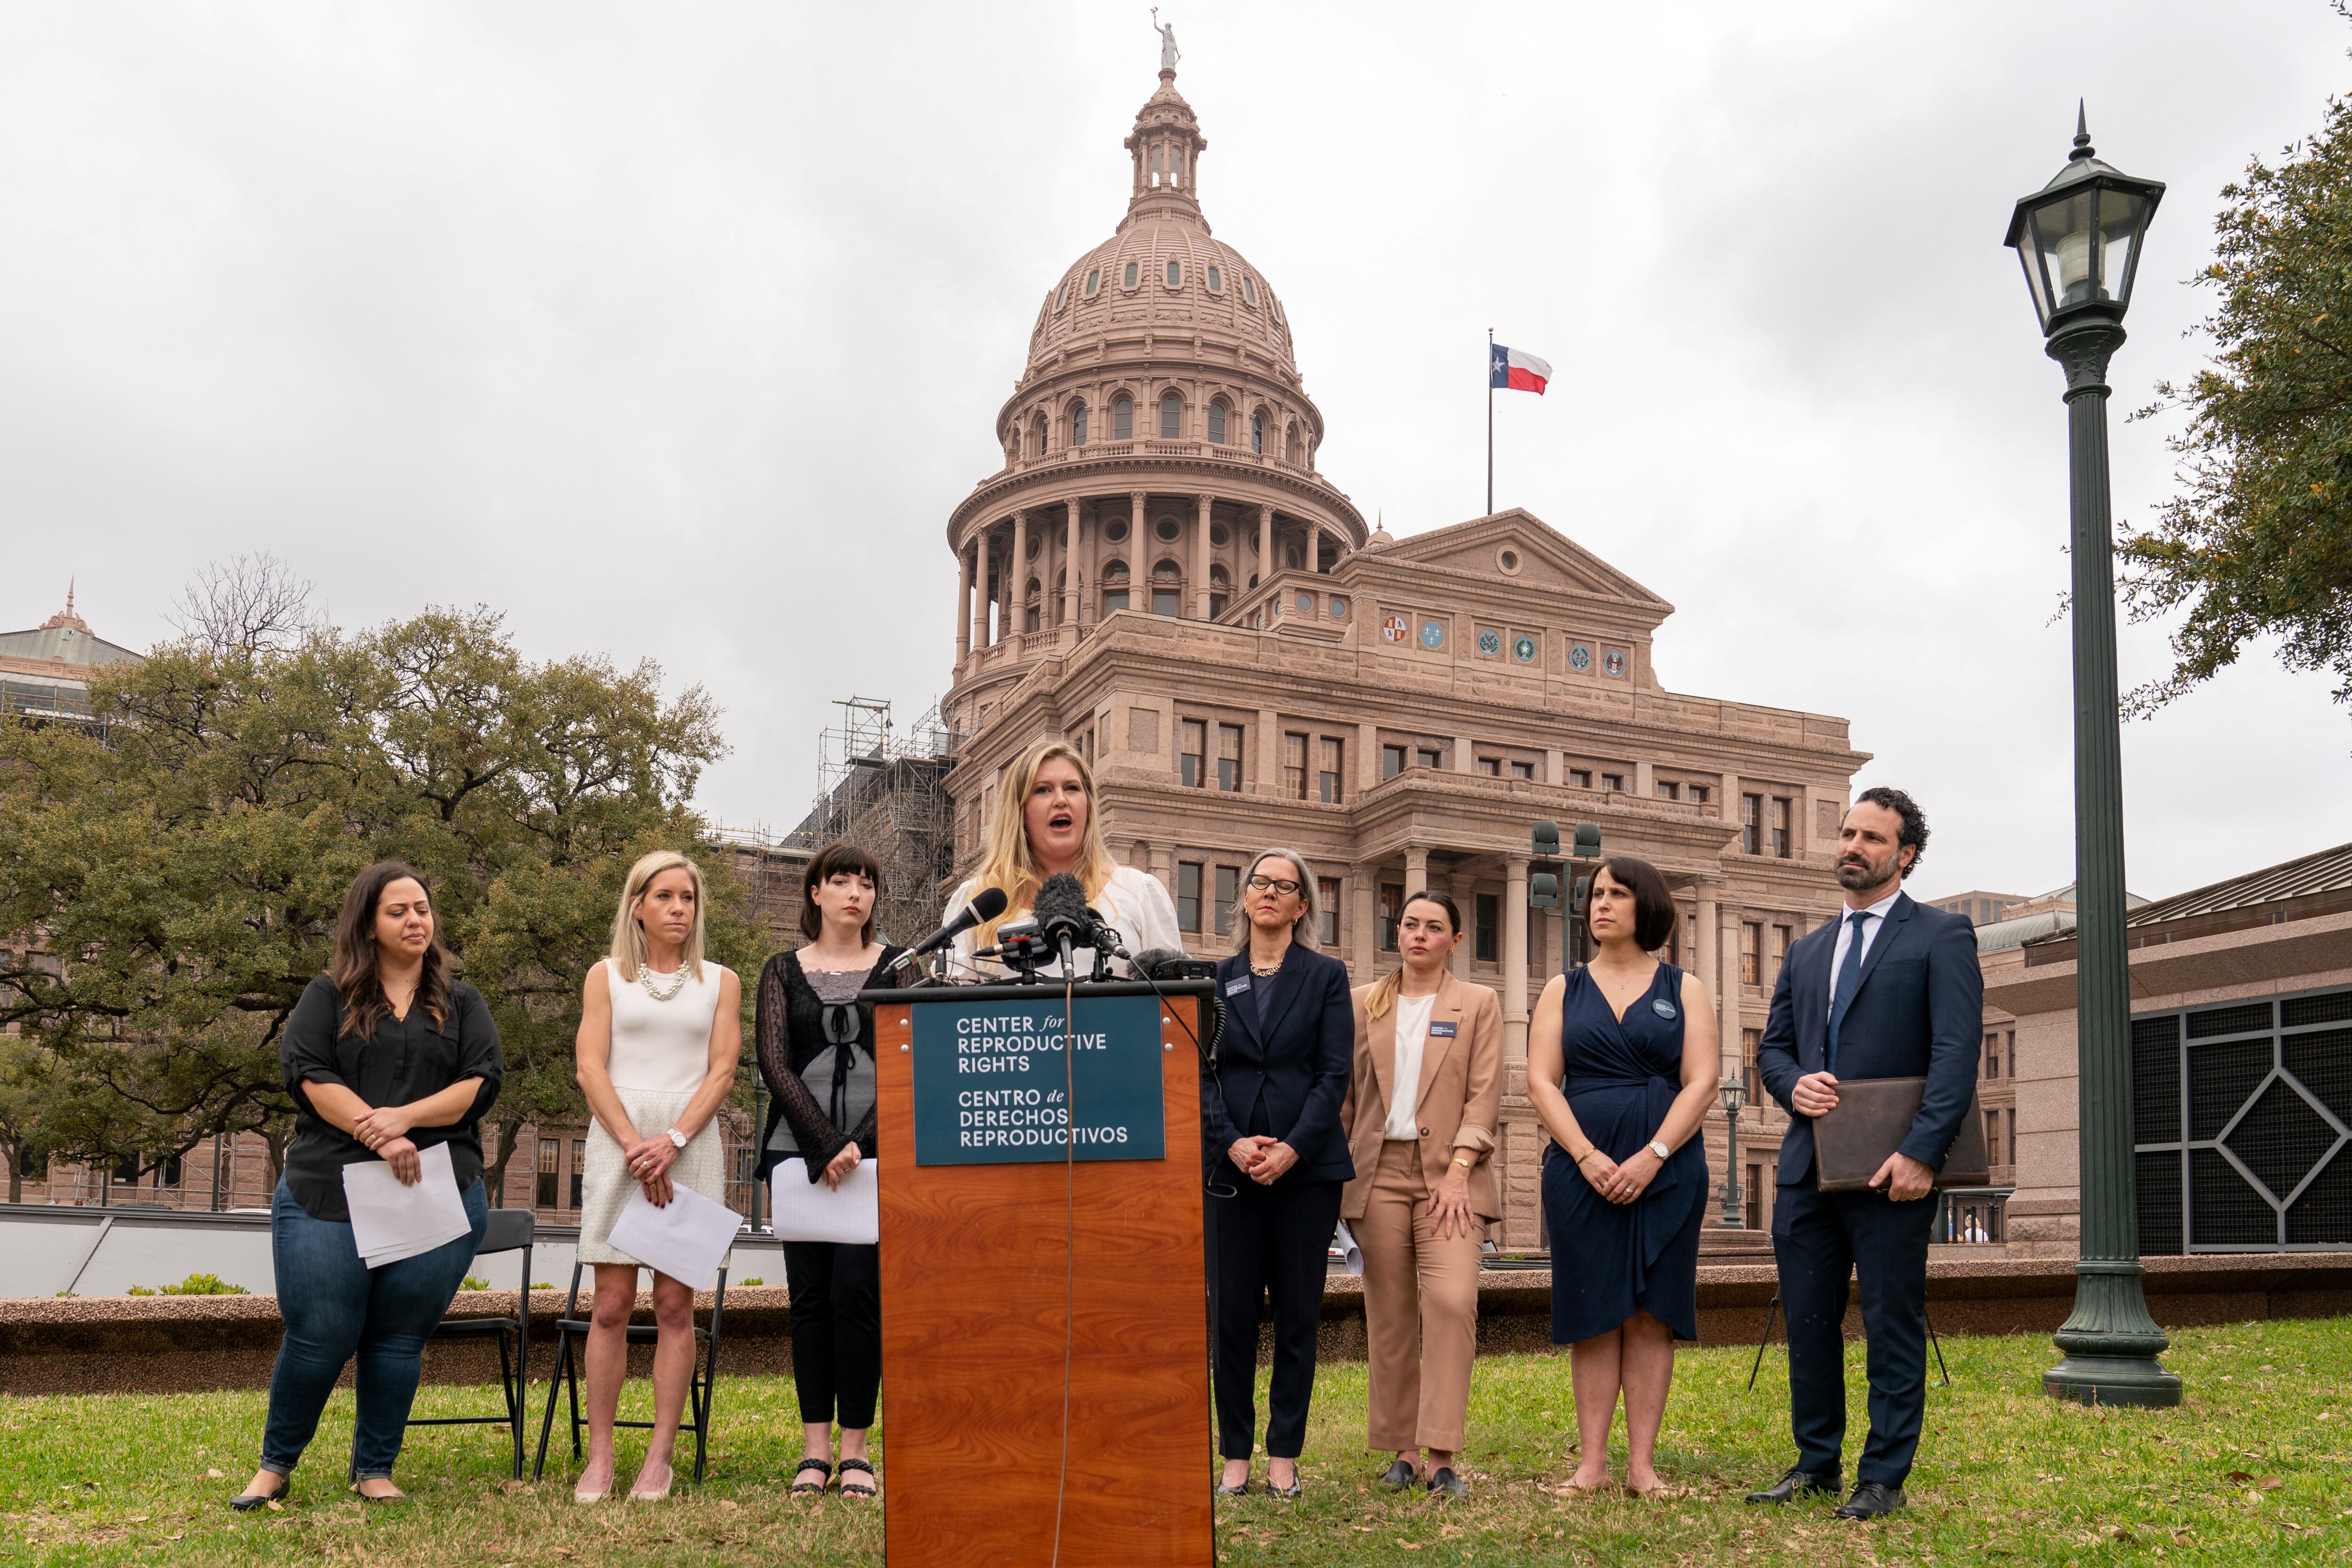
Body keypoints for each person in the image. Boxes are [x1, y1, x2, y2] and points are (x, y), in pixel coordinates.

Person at [230, 860, 501, 1511]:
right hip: (330, 1190)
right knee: (321, 1332)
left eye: (422, 908)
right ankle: (275, 1466)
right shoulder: (329, 994)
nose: (415, 919)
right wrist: (378, 1134)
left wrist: (406, 1118)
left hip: (434, 1192)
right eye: (398, 910)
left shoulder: (462, 1002)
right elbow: (307, 1070)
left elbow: (482, 1081)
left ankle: (373, 1468)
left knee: (398, 1336)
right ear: (368, 924)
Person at [1746, 788, 1979, 1520]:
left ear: (1904, 853)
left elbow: (1955, 1053)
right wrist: (1794, 1086)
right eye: (1847, 833)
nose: (1852, 846)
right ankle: (1816, 1463)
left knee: (1890, 1322)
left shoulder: (1943, 935)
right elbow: (1772, 1048)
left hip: (1894, 1174)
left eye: (1871, 837)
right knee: (1809, 1323)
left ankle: (1882, 1476)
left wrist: (1922, 1154)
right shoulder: (1809, 948)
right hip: (1807, 1168)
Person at [1526, 856, 1719, 1497]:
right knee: (1594, 1313)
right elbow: (1540, 1080)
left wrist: (1654, 1154)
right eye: (1595, 894)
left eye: (1617, 893)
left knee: (1649, 1315)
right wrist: (1582, 1154)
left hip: (1666, 1171)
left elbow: (1703, 1081)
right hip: (1581, 1171)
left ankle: (1642, 1466)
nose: (1600, 903)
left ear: (1648, 906)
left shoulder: (1683, 987)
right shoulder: (1563, 988)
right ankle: (1591, 1464)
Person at [570, 850, 743, 1504]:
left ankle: (659, 1460)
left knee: (675, 1307)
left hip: (690, 1140)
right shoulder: (606, 976)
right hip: (619, 1136)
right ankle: (601, 1458)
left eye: (688, 898)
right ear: (637, 905)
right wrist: (633, 1146)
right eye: (665, 896)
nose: (678, 908)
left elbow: (723, 1070)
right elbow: (591, 1067)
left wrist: (670, 1141)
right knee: (611, 1308)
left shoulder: (722, 981)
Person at [754, 844, 908, 1501]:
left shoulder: (900, 965)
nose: (854, 892)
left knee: (858, 1296)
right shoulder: (781, 971)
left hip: (876, 1158)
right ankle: (814, 1450)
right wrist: (824, 1144)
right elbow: (774, 1062)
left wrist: (858, 1144)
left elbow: (913, 1058)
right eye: (840, 880)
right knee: (809, 1301)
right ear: (815, 892)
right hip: (797, 1154)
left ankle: (855, 1452)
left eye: (866, 882)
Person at [1338, 891, 1502, 1497]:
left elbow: (1483, 1095)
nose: (1419, 936)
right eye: (1409, 924)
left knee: (1453, 1302)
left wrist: (1460, 1169)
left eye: (1434, 928)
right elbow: (1346, 1101)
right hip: (1376, 1175)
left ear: (1454, 941)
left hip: (1450, 1176)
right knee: (1389, 1316)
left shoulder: (1479, 1003)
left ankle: (1442, 1455)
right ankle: (1403, 1451)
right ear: (1397, 932)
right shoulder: (1362, 1004)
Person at [1203, 849, 1354, 1498]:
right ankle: (1234, 1455)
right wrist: (1234, 1143)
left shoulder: (1326, 976)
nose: (1269, 893)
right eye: (1259, 883)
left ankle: (1283, 1457)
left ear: (1303, 905)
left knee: (1297, 1317)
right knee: (1230, 1317)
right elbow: (1198, 1074)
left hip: (1306, 1171)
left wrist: (1292, 1148)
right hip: (1229, 1172)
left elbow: (1333, 1074)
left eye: (1284, 886)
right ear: (1244, 898)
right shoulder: (1214, 978)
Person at [946, 739, 1180, 979]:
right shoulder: (976, 901)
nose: (1061, 800)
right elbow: (947, 1005)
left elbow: (1179, 1000)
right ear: (1019, 811)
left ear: (1088, 806)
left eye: (1071, 788)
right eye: (1043, 790)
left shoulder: (1140, 891)